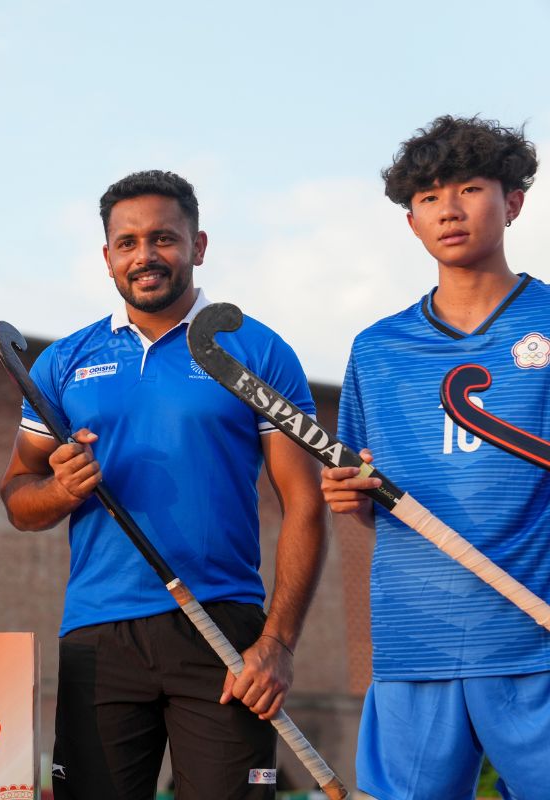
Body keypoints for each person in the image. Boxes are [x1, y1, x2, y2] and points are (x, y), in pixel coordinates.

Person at [0, 170, 328, 798]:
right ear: (107, 257)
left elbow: (305, 504)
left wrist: (279, 643)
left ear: (198, 245)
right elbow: (19, 498)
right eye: (127, 243)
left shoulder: (256, 351)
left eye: (163, 239)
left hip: (225, 630)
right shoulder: (64, 361)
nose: (145, 256)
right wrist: (62, 490)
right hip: (99, 634)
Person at [321, 116, 548, 799]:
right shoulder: (377, 349)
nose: (448, 209)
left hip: (536, 642)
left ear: (512, 201)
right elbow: (375, 507)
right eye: (427, 197)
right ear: (411, 220)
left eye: (470, 188)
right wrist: (352, 497)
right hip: (415, 643)